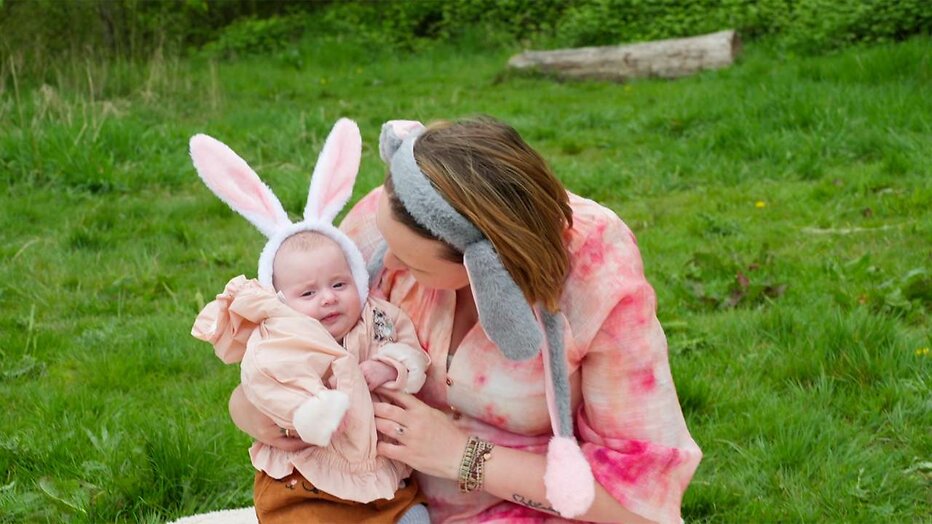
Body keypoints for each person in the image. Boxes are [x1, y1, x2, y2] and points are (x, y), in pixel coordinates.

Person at [230, 116, 703, 523]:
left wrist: (460, 455)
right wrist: (253, 407)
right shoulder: (405, 207)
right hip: (375, 501)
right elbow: (286, 340)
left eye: (414, 265)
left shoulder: (596, 273)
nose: (384, 265)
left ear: (483, 273)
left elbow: (638, 506)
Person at [188, 120, 431, 524]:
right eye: (308, 293)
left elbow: (413, 355)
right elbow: (265, 381)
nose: (328, 298)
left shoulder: (379, 319)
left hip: (380, 477)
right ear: (281, 300)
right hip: (304, 479)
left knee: (414, 518)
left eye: (339, 283)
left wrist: (388, 366)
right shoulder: (280, 337)